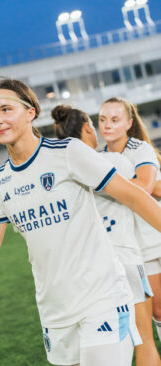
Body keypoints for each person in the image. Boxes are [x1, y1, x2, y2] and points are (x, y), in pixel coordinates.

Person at [0, 79, 161, 366]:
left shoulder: (69, 153)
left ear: (30, 112)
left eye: (6, 109)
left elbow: (135, 197)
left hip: (103, 299)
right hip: (55, 313)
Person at [51, 104, 161, 366]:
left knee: (99, 348)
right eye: (100, 120)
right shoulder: (114, 162)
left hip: (84, 269)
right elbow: (144, 189)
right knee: (144, 340)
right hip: (126, 257)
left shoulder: (59, 171)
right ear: (89, 128)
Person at [99, 97, 161, 345]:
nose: (107, 125)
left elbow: (145, 186)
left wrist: (106, 188)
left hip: (154, 236)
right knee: (152, 312)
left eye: (115, 120)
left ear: (128, 123)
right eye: (102, 119)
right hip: (131, 244)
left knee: (158, 309)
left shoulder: (140, 148)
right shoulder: (98, 157)